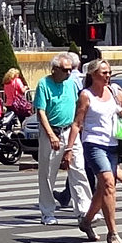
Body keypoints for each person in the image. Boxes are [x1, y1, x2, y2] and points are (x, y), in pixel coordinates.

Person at [76, 58, 122, 243]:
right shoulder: (86, 95)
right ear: (93, 75)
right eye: (104, 73)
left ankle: (86, 221)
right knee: (109, 183)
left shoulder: (114, 91)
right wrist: (68, 148)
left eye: (109, 72)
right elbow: (78, 123)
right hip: (93, 143)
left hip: (113, 143)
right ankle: (113, 233)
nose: (108, 76)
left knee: (103, 188)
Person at [33, 54, 87, 225]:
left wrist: (80, 124)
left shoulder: (71, 83)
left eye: (70, 69)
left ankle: (84, 210)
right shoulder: (44, 84)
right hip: (52, 132)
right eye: (65, 69)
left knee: (78, 169)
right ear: (54, 69)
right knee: (48, 174)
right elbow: (40, 111)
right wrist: (50, 135)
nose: (69, 72)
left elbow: (79, 104)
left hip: (71, 131)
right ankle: (47, 212)